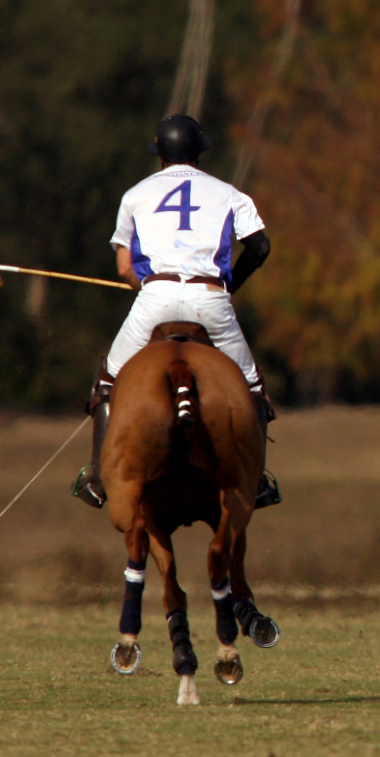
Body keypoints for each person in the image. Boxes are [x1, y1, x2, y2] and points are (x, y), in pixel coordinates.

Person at [74, 115, 279, 510]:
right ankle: (256, 482)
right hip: (212, 301)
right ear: (200, 152)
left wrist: (145, 283)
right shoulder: (230, 193)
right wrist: (228, 285)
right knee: (253, 387)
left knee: (108, 380)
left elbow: (124, 269)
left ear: (160, 155)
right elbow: (260, 247)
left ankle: (98, 477)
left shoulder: (134, 195)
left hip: (156, 299)